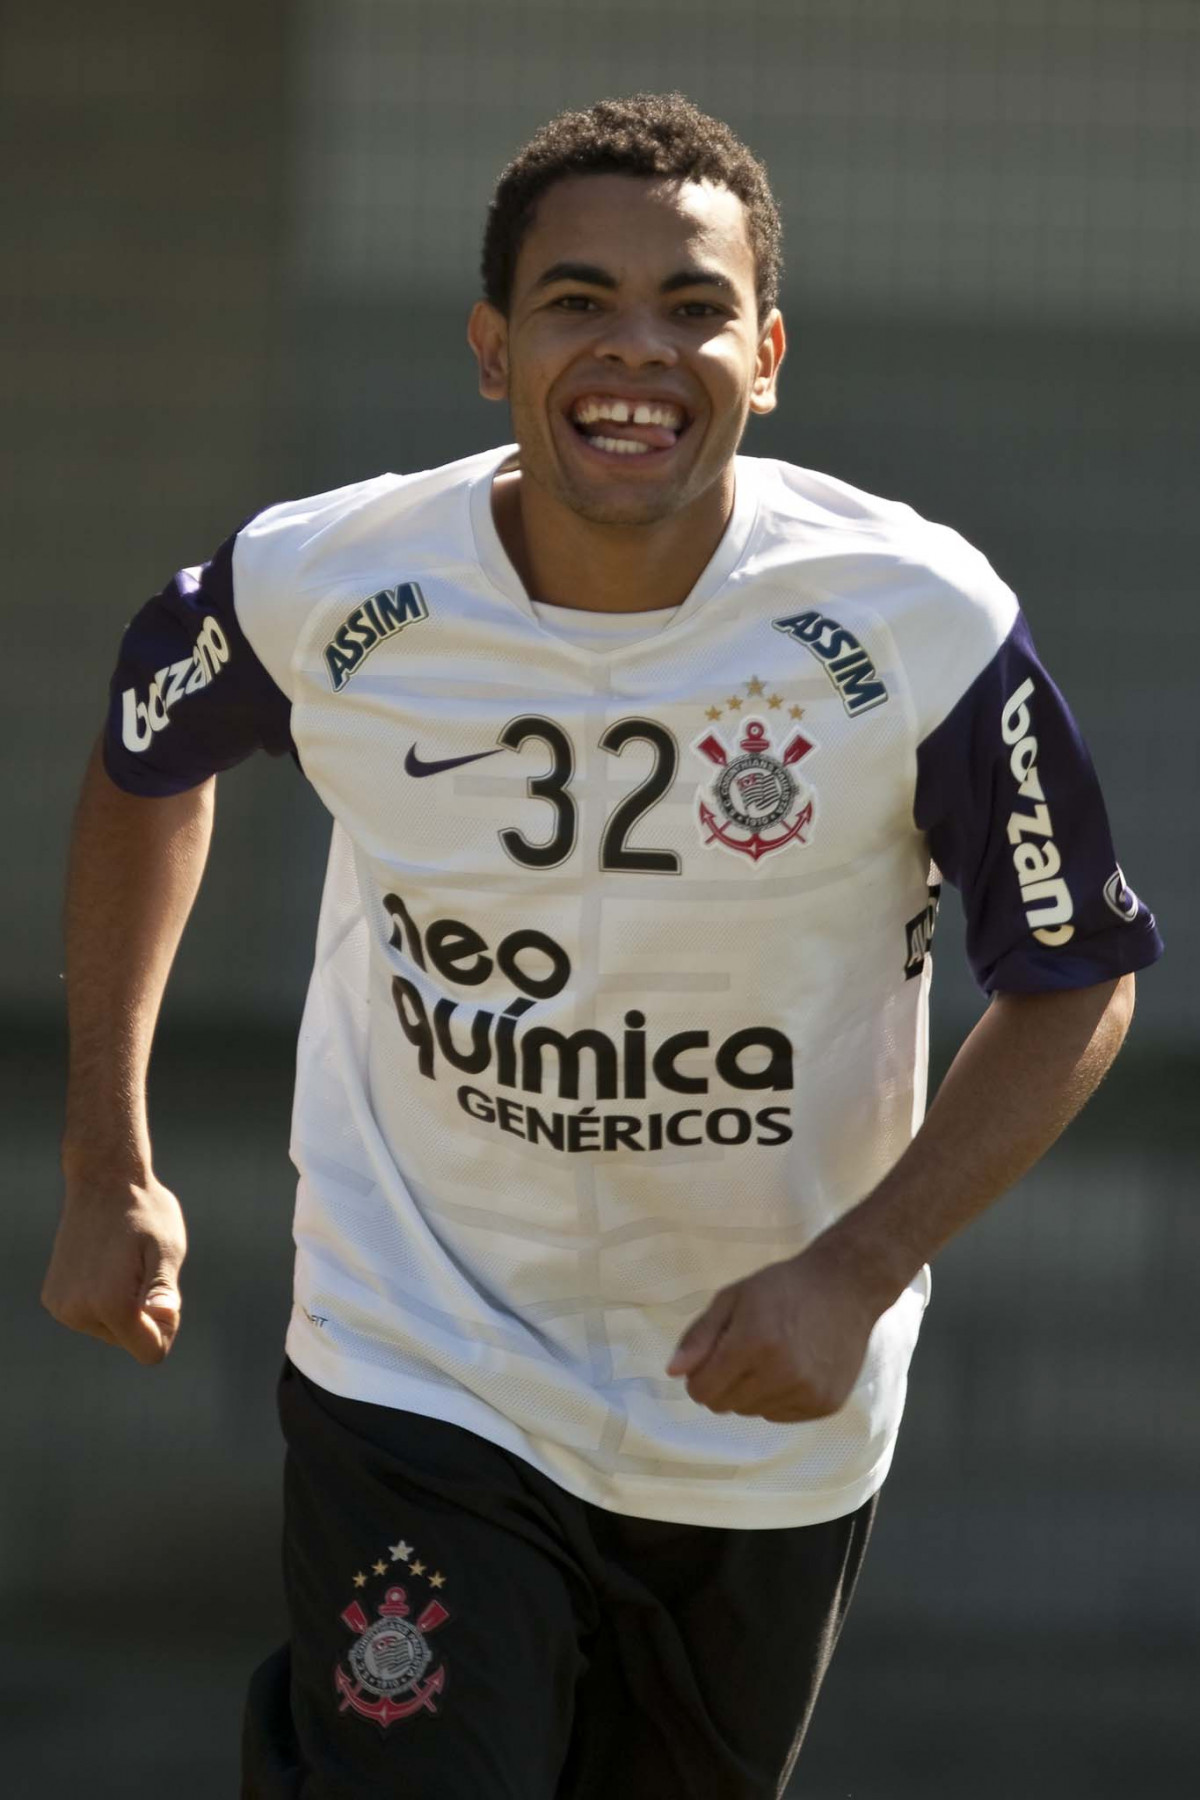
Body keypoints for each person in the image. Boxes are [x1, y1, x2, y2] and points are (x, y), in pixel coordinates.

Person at [42, 93, 1161, 1799]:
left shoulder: (917, 624)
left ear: (766, 353)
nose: (637, 349)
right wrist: (109, 1160)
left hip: (757, 1406)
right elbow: (144, 768)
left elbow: (1078, 970)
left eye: (693, 308)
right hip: (418, 1351)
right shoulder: (323, 582)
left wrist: (855, 1270)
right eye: (578, 301)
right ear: (493, 349)